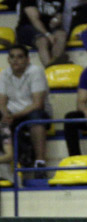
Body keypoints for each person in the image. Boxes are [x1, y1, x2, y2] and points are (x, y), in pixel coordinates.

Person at [0, 45, 51, 178]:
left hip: (35, 112)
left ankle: (40, 163)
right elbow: (2, 101)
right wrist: (5, 114)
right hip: (13, 114)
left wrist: (12, 116)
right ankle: (7, 161)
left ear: (28, 59)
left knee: (36, 118)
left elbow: (37, 104)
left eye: (20, 57)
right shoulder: (4, 74)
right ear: (8, 59)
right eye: (12, 57)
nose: (15, 60)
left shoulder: (36, 71)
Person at [17, 0, 67, 67]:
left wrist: (56, 21)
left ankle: (55, 67)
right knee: (42, 40)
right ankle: (50, 71)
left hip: (48, 28)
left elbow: (59, 15)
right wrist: (48, 34)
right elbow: (34, 19)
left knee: (61, 35)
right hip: (27, 28)